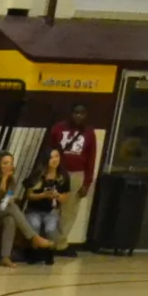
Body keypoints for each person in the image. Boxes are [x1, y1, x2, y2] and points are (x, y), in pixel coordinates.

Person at [0, 151, 51, 268]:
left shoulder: (11, 180)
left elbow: (7, 197)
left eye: (11, 162)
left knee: (10, 219)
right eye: (5, 163)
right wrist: (4, 180)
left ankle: (5, 257)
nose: (10, 165)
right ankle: (33, 237)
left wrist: (10, 197)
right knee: (10, 208)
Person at [44, 101, 101, 255]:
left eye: (82, 113)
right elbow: (48, 150)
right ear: (70, 113)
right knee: (51, 208)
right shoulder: (58, 128)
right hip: (57, 171)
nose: (79, 116)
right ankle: (46, 241)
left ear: (86, 115)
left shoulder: (89, 132)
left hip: (77, 174)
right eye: (76, 112)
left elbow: (91, 158)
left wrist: (87, 183)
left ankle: (60, 245)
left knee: (69, 211)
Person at [20, 147, 72, 265]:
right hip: (33, 210)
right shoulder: (37, 174)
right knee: (35, 225)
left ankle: (49, 253)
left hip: (51, 211)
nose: (55, 160)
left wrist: (57, 196)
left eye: (57, 156)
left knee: (51, 228)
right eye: (51, 157)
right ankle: (34, 253)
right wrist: (43, 195)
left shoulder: (63, 176)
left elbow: (65, 198)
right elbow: (29, 195)